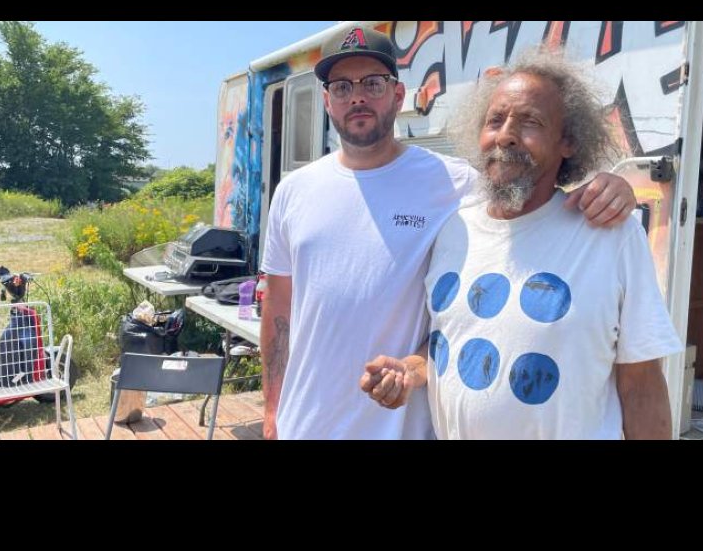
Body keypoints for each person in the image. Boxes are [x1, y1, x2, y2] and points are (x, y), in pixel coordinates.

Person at [262, 26, 638, 440]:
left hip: (401, 429)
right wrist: (272, 407)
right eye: (341, 87)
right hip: (303, 425)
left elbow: (524, 188)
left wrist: (610, 187)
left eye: (373, 84)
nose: (357, 97)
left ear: (398, 95)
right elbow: (279, 308)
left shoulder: (454, 183)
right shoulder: (292, 192)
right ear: (326, 101)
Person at [360, 47, 682, 439]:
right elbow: (454, 336)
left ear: (568, 141)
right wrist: (411, 369)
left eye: (530, 122)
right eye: (495, 120)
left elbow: (642, 384)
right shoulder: (453, 230)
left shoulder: (610, 235)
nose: (506, 136)